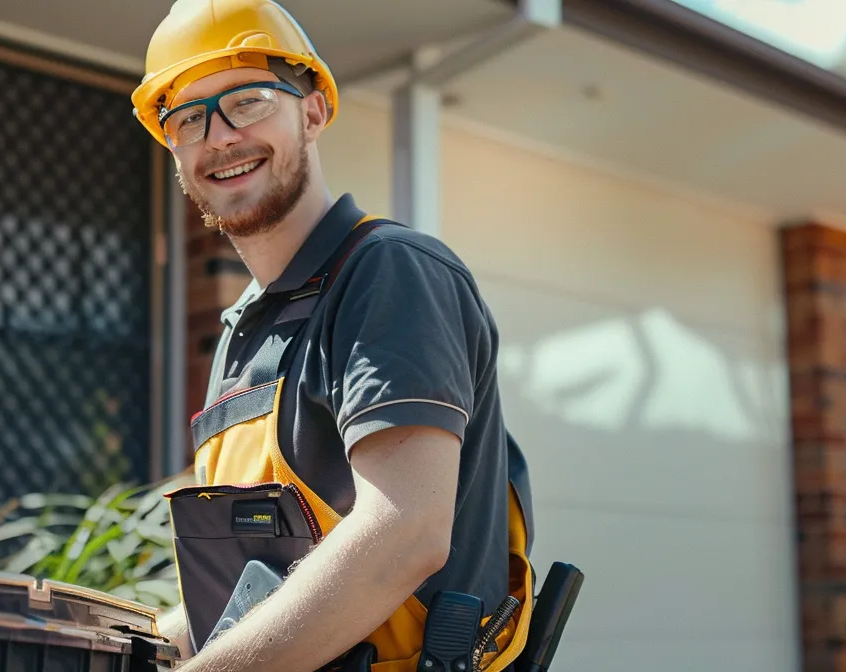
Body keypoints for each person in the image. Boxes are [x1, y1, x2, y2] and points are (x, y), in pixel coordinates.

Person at [131, 2, 541, 671]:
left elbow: (404, 533)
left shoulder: (388, 272)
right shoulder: (242, 333)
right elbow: (247, 594)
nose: (220, 135)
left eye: (249, 100)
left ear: (314, 111)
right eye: (187, 118)